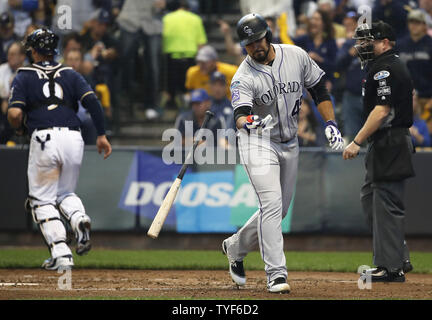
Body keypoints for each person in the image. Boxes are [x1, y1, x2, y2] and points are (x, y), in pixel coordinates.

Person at [222, 13, 343, 294]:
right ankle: (276, 274)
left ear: (268, 35)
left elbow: (319, 89)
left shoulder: (296, 55)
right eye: (249, 43)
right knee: (272, 204)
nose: (255, 46)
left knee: (278, 210)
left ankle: (235, 247)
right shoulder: (243, 76)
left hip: (290, 142)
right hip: (258, 142)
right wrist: (249, 121)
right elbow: (240, 115)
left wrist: (330, 122)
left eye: (258, 39)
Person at [7, 28, 112, 270]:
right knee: (65, 193)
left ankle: (62, 254)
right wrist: (102, 135)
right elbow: (92, 102)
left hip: (44, 138)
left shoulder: (24, 75)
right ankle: (79, 219)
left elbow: (14, 113)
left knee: (42, 200)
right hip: (73, 138)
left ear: (33, 50)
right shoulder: (71, 73)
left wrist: (19, 127)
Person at [343, 22, 415, 282]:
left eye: (368, 41)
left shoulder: (386, 68)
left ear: (385, 42)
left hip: (390, 142)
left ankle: (391, 268)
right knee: (371, 199)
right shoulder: (384, 65)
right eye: (361, 41)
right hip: (386, 142)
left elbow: (382, 110)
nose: (363, 46)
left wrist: (357, 141)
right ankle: (398, 257)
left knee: (386, 203)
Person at [161, 0, 207, 109]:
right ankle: (188, 104)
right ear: (189, 8)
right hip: (190, 56)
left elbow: (162, 38)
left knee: (171, 86)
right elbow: (201, 43)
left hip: (171, 56)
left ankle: (170, 103)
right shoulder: (196, 19)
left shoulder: (167, 18)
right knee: (188, 86)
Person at [397, 10, 432, 122]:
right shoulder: (401, 45)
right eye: (412, 22)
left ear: (424, 25)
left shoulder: (430, 44)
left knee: (428, 135)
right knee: (407, 133)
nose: (414, 25)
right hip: (406, 98)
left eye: (418, 22)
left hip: (427, 98)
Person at [293, 9, 338, 91]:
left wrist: (318, 58)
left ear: (324, 24)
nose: (313, 22)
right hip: (304, 86)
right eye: (312, 19)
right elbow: (290, 43)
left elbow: (334, 66)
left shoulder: (330, 42)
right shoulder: (305, 39)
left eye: (317, 19)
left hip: (324, 85)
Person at [0, 41, 26, 144]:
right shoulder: (1, 69)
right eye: (9, 54)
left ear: (22, 57)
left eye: (13, 54)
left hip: (21, 111)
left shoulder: (28, 72)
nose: (9, 57)